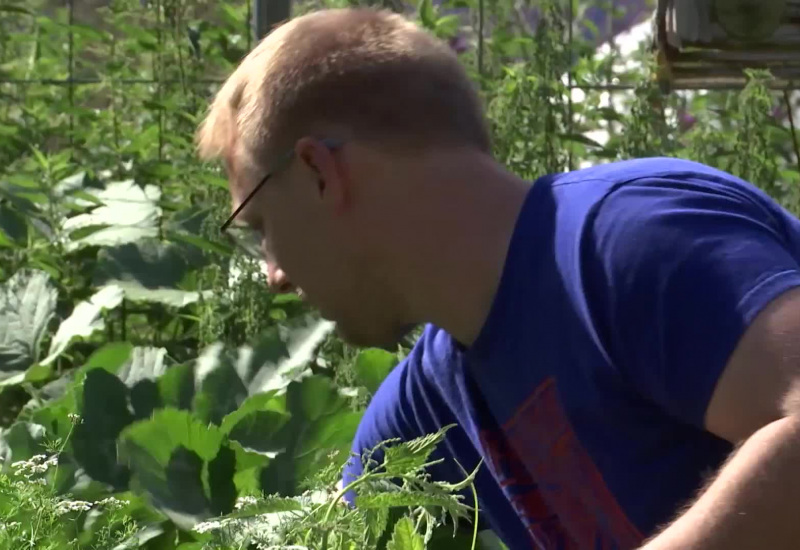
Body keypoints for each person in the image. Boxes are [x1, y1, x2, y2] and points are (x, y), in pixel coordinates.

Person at [195, 7, 800, 550]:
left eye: (262, 225)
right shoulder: (424, 413)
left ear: (319, 172)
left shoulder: (630, 241)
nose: (273, 274)